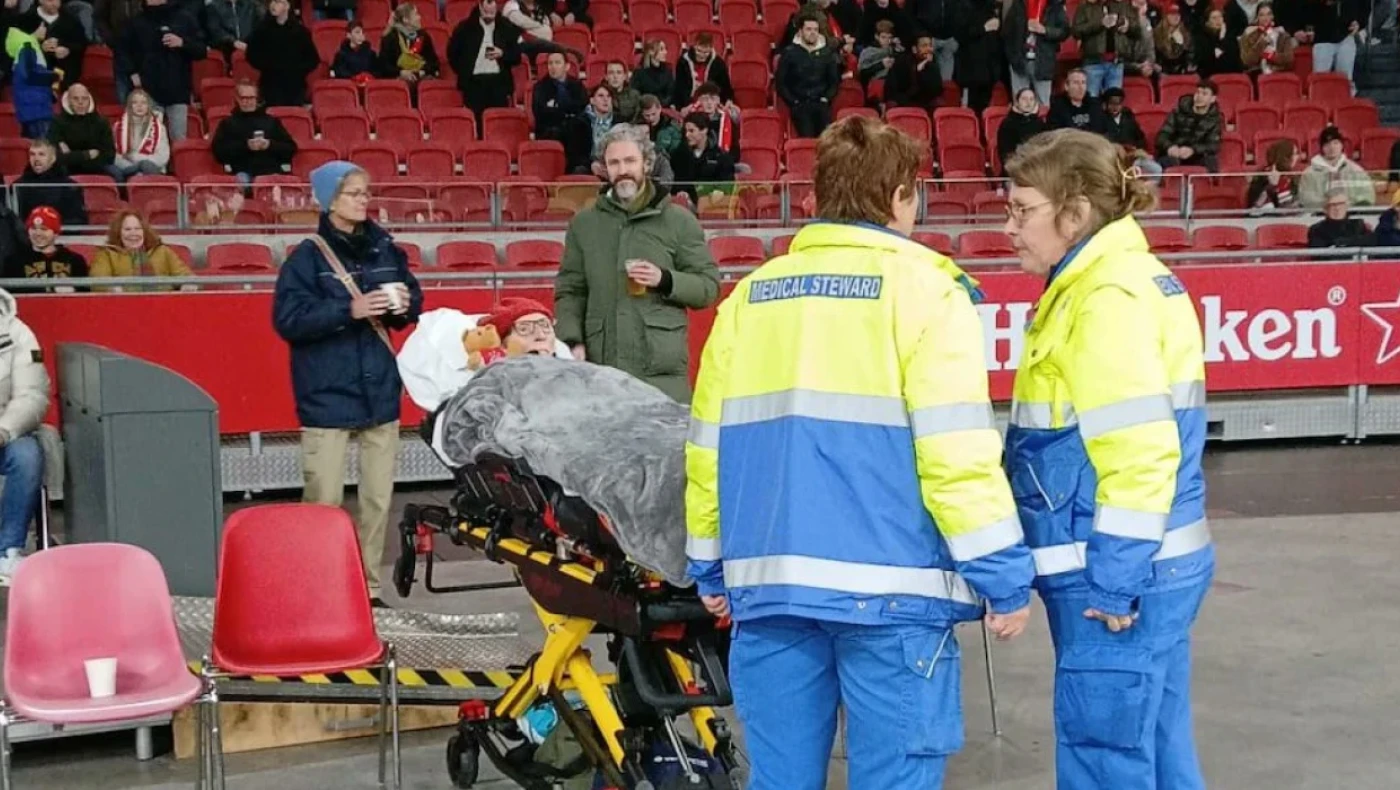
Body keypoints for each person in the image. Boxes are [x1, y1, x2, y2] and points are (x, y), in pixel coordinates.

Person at [684, 115, 1035, 790]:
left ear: (819, 196)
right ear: (904, 195)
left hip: (770, 593)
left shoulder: (749, 298)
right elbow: (955, 453)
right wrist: (1002, 576)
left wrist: (709, 568)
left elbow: (707, 454)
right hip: (894, 600)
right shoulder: (929, 292)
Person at [1001, 128, 1214, 790]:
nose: (1008, 226)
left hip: (1116, 581)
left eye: (1021, 210)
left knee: (1104, 756)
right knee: (1153, 740)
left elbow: (1139, 452)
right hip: (1150, 568)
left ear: (1076, 213)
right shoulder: (1121, 280)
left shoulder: (1103, 300)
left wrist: (1115, 580)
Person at [273, 161, 424, 599]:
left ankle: (367, 588)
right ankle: (319, 589)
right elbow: (288, 320)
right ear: (328, 199)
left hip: (379, 391)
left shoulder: (385, 248)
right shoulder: (305, 258)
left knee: (378, 501)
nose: (363, 199)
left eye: (365, 191)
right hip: (326, 393)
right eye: (353, 192)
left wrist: (401, 303)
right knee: (324, 501)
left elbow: (414, 298)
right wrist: (348, 311)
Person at [554, 124, 720, 403]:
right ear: (605, 168)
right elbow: (570, 290)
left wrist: (665, 279)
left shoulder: (678, 220)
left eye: (630, 160)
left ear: (647, 163)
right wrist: (572, 340)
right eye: (614, 162)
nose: (623, 169)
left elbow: (708, 287)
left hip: (661, 374)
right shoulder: (584, 224)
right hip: (601, 371)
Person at [0, 286, 50, 584]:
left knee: (28, 455)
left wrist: (4, 430)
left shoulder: (18, 333)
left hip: (4, 432)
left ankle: (6, 551)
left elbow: (33, 395)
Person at [118, 0, 206, 140]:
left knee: (179, 139)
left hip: (178, 90)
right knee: (150, 140)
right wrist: (132, 72)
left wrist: (182, 43)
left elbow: (201, 51)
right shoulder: (136, 22)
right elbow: (122, 51)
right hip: (148, 90)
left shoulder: (185, 18)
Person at [445, 0, 522, 125]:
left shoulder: (507, 27)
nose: (489, 15)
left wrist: (503, 54)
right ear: (479, 7)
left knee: (498, 125)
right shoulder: (465, 28)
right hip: (474, 83)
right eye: (486, 12)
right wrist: (464, 71)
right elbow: (452, 53)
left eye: (492, 12)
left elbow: (517, 56)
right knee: (476, 124)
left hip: (499, 83)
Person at [211, 80, 298, 183]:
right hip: (242, 172)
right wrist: (246, 146)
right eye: (244, 98)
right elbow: (219, 152)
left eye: (251, 98)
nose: (248, 102)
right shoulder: (227, 123)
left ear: (257, 99)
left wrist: (269, 145)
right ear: (237, 99)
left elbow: (290, 148)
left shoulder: (271, 122)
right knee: (241, 182)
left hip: (270, 172)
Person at [87, 209, 192, 289]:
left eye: (137, 229)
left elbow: (186, 276)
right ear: (118, 232)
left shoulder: (162, 251)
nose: (133, 234)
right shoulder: (106, 254)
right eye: (127, 229)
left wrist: (188, 285)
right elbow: (98, 282)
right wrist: (113, 290)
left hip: (163, 306)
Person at [776, 9, 841, 138]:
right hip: (800, 104)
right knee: (808, 137)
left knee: (827, 139)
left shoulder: (826, 54)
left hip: (821, 104)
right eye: (809, 29)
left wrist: (826, 98)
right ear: (800, 31)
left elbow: (834, 81)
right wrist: (793, 101)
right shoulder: (790, 53)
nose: (812, 33)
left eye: (815, 30)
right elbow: (781, 83)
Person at [244, 0, 319, 106]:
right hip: (270, 85)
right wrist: (268, 67)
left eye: (278, 1)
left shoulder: (300, 32)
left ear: (287, 5)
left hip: (294, 87)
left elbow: (313, 59)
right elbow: (251, 54)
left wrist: (297, 71)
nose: (273, 5)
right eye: (272, 2)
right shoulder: (262, 30)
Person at [1, 205, 89, 293]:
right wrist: (50, 289)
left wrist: (73, 290)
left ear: (56, 233)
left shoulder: (75, 260)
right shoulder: (14, 261)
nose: (38, 233)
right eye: (33, 228)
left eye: (44, 229)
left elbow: (87, 293)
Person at [13, 139, 88, 228]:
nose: (36, 159)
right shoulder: (17, 186)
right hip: (26, 237)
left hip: (61, 237)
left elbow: (78, 221)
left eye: (41, 154)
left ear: (53, 158)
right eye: (32, 154)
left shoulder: (69, 187)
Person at [48, 82, 116, 178]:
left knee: (117, 175)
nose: (81, 102)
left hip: (97, 168)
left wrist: (71, 156)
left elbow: (109, 156)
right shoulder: (57, 122)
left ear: (89, 100)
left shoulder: (101, 122)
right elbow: (54, 156)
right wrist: (86, 154)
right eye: (75, 98)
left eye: (84, 98)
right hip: (67, 170)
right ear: (68, 100)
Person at [1072, 0, 1140, 95]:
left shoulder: (1124, 6)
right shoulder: (1085, 7)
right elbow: (1076, 31)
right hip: (1093, 62)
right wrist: (1100, 24)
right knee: (1091, 101)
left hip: (1116, 63)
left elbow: (1138, 31)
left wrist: (1128, 26)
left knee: (1114, 101)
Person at [1155, 78, 1222, 170]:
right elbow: (1162, 136)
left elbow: (1213, 146)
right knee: (1168, 161)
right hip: (1175, 153)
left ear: (1213, 99)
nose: (1199, 96)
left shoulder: (1215, 119)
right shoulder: (1178, 111)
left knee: (1211, 161)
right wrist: (1170, 147)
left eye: (1204, 94)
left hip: (1196, 156)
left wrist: (1193, 150)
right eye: (1198, 92)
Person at [6, 24, 59, 139]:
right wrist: (53, 76)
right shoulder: (28, 47)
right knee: (43, 147)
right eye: (43, 26)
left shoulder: (27, 47)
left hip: (30, 108)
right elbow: (29, 75)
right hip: (36, 110)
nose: (45, 30)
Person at [1299, 125, 1372, 208]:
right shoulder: (1309, 173)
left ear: (1342, 145)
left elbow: (1367, 196)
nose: (1332, 147)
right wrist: (1328, 204)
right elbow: (1306, 199)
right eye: (1327, 144)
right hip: (1318, 216)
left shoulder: (1356, 170)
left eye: (1335, 143)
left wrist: (1346, 205)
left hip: (1351, 215)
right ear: (1322, 147)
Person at [111, 87, 169, 178]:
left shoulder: (160, 128)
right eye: (135, 102)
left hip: (152, 169)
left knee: (145, 165)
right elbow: (115, 156)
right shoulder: (117, 127)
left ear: (148, 106)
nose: (139, 106)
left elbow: (162, 157)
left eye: (143, 103)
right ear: (129, 106)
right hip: (127, 169)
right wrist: (133, 169)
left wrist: (135, 158)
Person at [1307, 186, 1372, 248]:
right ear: (1325, 209)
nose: (1337, 208)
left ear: (1347, 206)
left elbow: (1370, 245)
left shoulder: (1358, 225)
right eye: (1333, 205)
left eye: (1341, 204)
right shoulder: (1316, 230)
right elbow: (1319, 255)